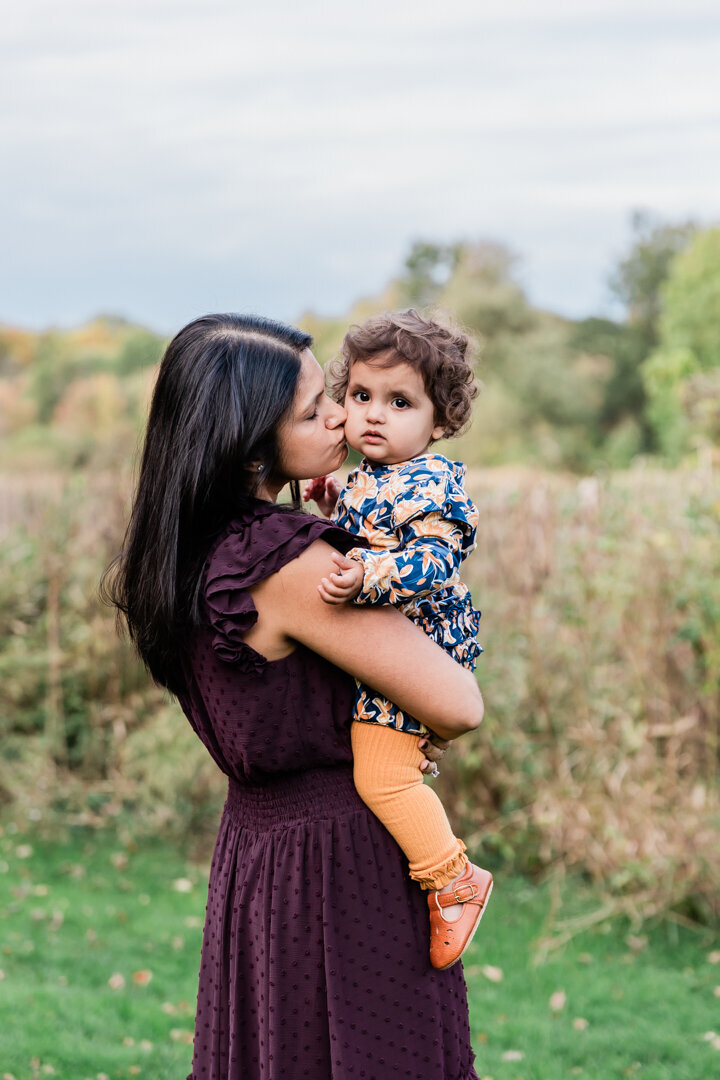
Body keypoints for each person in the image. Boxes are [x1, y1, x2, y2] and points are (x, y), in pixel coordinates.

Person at [104, 312, 485, 1080]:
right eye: (317, 409)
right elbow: (458, 703)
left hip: (258, 852)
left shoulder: (190, 546)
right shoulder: (292, 564)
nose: (346, 416)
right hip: (343, 863)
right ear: (250, 447)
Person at [303, 310, 493, 971]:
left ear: (439, 421)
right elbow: (365, 523)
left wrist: (368, 576)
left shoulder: (431, 480)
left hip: (425, 644)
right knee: (391, 764)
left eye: (400, 402)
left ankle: (453, 880)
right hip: (396, 647)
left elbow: (433, 560)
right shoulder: (373, 478)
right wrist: (333, 504)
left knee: (382, 777)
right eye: (360, 397)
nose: (373, 416)